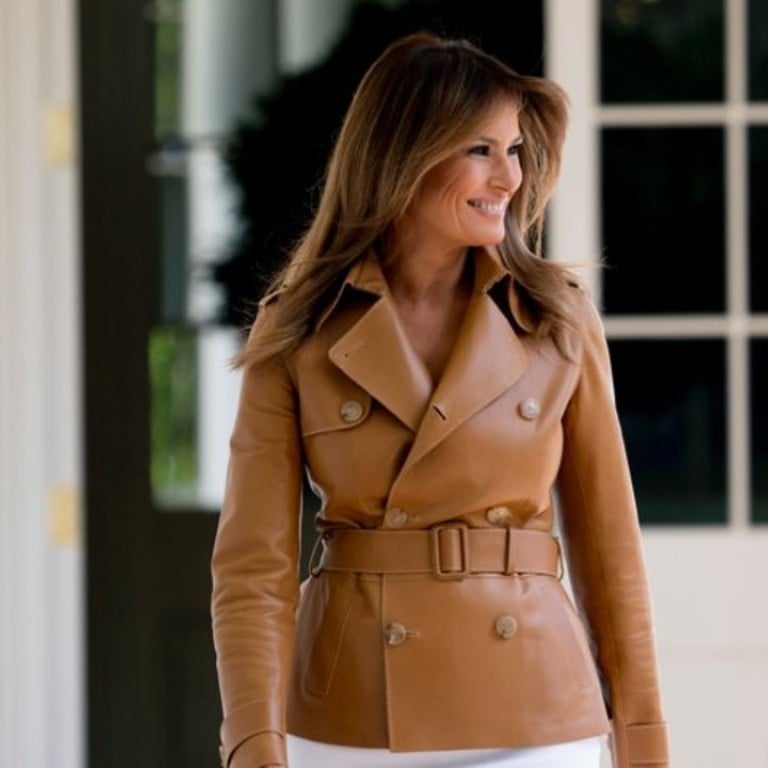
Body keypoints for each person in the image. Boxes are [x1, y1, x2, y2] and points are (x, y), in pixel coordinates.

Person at [211, 32, 669, 768]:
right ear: (403, 156)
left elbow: (611, 552)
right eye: (481, 150)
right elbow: (252, 570)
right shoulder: (300, 327)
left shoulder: (555, 319)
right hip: (353, 716)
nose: (510, 176)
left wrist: (643, 738)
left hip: (534, 711)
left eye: (514, 149)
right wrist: (254, 743)